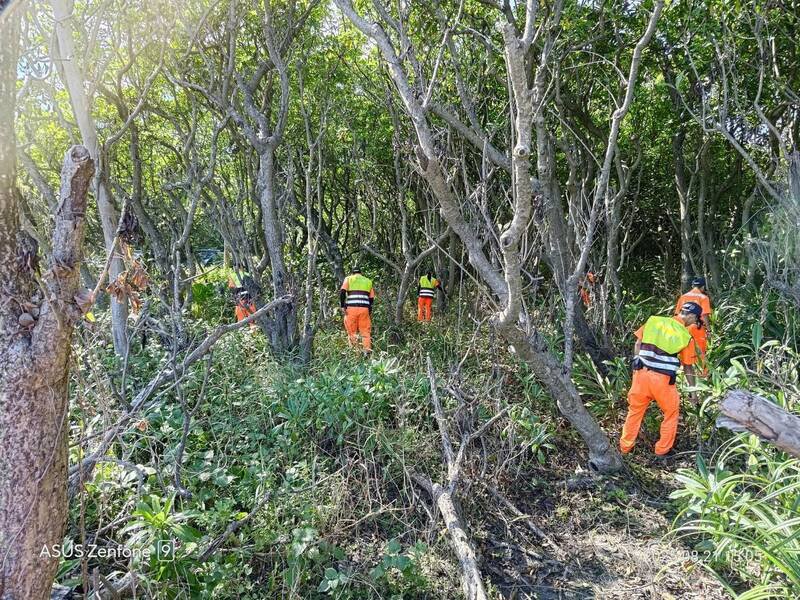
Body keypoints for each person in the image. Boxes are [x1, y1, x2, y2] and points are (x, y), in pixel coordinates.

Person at [619, 301, 703, 458]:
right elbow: (688, 367)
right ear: (691, 316)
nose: (695, 324)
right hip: (662, 381)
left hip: (641, 375)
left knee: (635, 412)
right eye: (696, 320)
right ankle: (662, 451)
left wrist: (638, 361)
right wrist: (693, 393)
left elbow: (638, 343)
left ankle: (625, 448)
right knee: (671, 412)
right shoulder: (685, 336)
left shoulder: (654, 321)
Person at [675, 276, 712, 361]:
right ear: (702, 287)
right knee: (700, 352)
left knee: (684, 351)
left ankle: (685, 371)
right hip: (697, 327)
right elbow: (704, 315)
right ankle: (702, 373)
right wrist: (709, 331)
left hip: (683, 327)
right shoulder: (703, 297)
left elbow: (678, 314)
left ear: (692, 286)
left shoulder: (683, 297)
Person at [340, 266, 375, 353]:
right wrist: (369, 309)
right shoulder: (368, 281)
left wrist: (342, 305)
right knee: (365, 332)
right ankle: (367, 352)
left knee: (352, 332)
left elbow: (342, 292)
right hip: (364, 309)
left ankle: (355, 353)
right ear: (361, 273)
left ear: (352, 273)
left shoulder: (349, 279)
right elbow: (371, 298)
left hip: (351, 309)